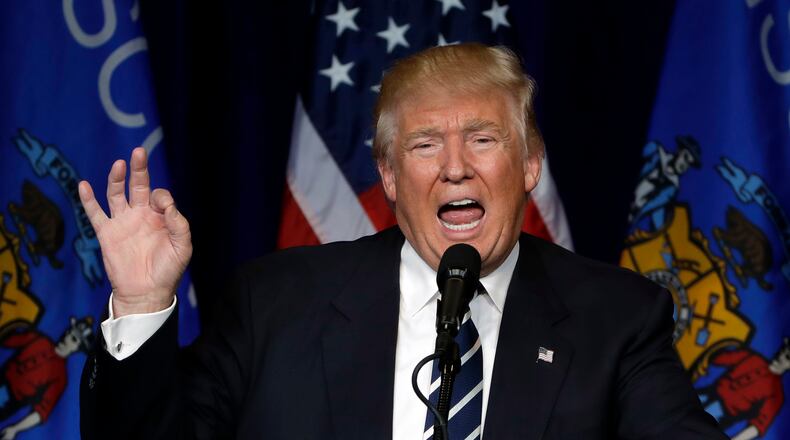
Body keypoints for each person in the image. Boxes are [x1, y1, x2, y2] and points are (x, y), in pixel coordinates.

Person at [78, 43, 726, 439]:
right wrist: (139, 303)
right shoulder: (275, 304)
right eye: (423, 145)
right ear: (389, 176)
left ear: (529, 164)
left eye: (482, 138)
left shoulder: (614, 319)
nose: (454, 167)